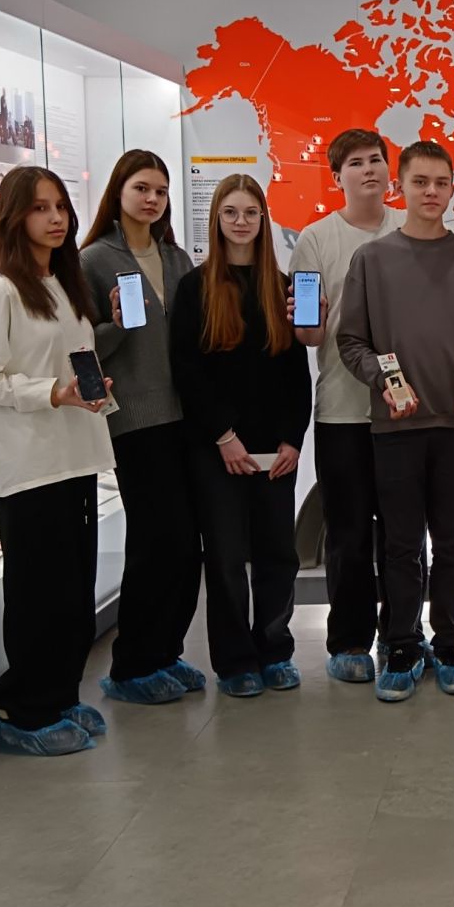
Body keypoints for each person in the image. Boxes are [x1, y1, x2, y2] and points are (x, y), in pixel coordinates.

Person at [291, 129, 454, 684]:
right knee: (397, 544)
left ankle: (450, 645)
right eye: (420, 182)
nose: (431, 191)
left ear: (452, 188)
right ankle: (398, 644)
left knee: (450, 544)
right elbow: (350, 339)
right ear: (401, 187)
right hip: (391, 426)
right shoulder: (370, 258)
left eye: (441, 183)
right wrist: (383, 380)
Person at [0, 166, 116, 756]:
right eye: (40, 208)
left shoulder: (63, 284)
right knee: (39, 594)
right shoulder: (3, 291)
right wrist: (50, 393)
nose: (56, 219)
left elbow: (71, 362)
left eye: (61, 207)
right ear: (14, 217)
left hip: (74, 455)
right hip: (29, 465)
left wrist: (89, 390)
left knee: (73, 591)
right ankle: (23, 713)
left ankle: (58, 695)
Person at [170, 174, 311, 698]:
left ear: (263, 220)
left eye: (251, 212)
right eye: (230, 212)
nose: (241, 222)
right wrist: (223, 436)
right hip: (216, 448)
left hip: (275, 449)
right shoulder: (195, 288)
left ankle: (275, 650)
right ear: (216, 219)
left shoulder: (282, 286)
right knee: (227, 558)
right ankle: (234, 662)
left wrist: (293, 439)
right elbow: (188, 372)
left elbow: (296, 374)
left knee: (278, 553)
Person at [80, 150, 205, 705]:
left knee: (186, 545)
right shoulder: (93, 261)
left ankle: (165, 652)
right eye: (141, 188)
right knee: (158, 540)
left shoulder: (176, 258)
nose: (152, 199)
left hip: (186, 418)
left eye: (160, 190)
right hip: (135, 420)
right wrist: (115, 324)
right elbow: (82, 347)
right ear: (119, 191)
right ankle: (132, 665)